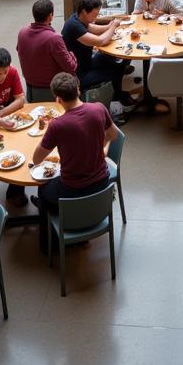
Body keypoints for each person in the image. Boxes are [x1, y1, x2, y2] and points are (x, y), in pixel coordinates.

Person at [31, 72, 118, 250]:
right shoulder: (99, 109)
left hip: (72, 190)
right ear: (78, 90)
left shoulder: (57, 125)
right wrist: (100, 147)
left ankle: (49, 244)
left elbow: (36, 158)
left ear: (58, 99)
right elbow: (113, 134)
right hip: (102, 186)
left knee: (42, 189)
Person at [61, 0, 128, 93]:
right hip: (79, 74)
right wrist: (113, 26)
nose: (96, 18)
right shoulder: (74, 26)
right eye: (95, 15)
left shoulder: (77, 17)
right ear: (84, 11)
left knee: (116, 60)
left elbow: (92, 28)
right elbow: (101, 41)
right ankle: (117, 99)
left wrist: (109, 26)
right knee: (116, 70)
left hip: (86, 62)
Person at [17, 0, 79, 95]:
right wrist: (71, 54)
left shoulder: (22, 32)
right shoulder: (53, 38)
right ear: (50, 15)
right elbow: (71, 67)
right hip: (52, 88)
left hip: (30, 85)